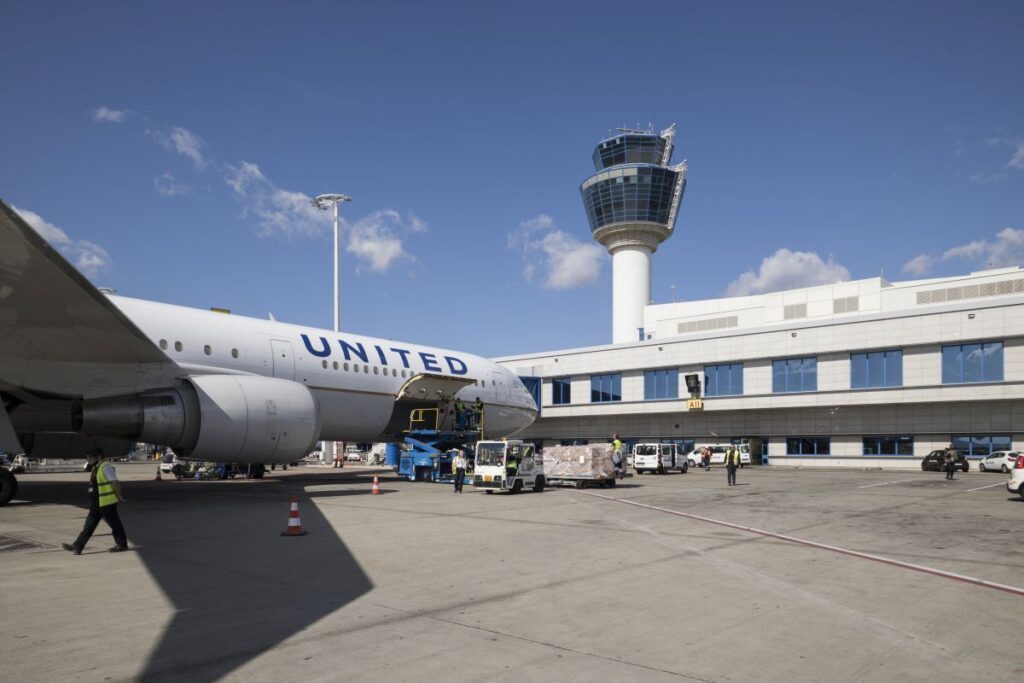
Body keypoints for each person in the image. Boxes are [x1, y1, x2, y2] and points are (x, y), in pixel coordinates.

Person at [63, 448, 129, 555]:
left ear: (98, 457)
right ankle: (77, 546)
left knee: (115, 524)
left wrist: (119, 495)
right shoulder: (96, 467)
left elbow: (115, 482)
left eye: (90, 457)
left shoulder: (105, 467)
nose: (87, 459)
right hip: (97, 503)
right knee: (89, 526)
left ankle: (122, 544)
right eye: (87, 457)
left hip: (106, 502)